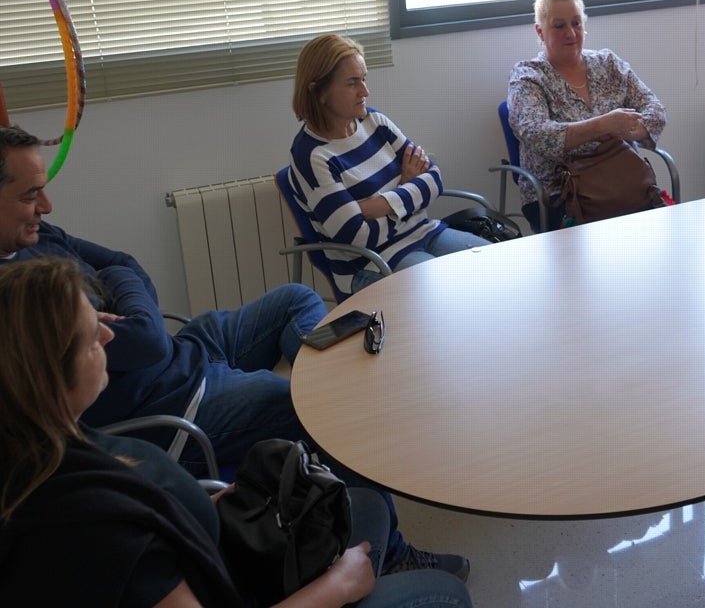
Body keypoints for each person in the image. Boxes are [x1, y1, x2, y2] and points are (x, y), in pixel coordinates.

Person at [0, 124, 469, 578]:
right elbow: (141, 339)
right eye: (28, 196)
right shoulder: (17, 299)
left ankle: (335, 387)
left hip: (183, 352)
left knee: (295, 300)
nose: (46, 205)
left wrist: (128, 301)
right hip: (171, 404)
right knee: (326, 414)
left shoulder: (40, 235)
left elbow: (126, 264)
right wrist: (133, 308)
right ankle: (393, 554)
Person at [0, 257, 474, 608]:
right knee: (445, 595)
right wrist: (336, 587)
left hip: (217, 551)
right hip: (241, 590)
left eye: (102, 317)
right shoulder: (87, 520)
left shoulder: (62, 441)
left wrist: (199, 506)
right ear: (47, 373)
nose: (109, 336)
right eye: (92, 333)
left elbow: (123, 267)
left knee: (363, 505)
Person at [290, 34, 489, 297]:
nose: (365, 91)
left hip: (424, 233)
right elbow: (358, 236)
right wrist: (406, 191)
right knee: (453, 295)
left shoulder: (376, 123)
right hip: (369, 263)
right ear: (319, 92)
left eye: (364, 79)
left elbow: (434, 179)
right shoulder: (312, 155)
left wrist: (379, 205)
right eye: (352, 83)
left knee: (498, 267)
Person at [507, 0, 667, 231]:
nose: (570, 34)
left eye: (576, 23)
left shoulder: (608, 64)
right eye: (559, 26)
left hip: (621, 180)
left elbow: (654, 109)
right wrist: (605, 125)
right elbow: (536, 133)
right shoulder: (528, 77)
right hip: (558, 193)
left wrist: (635, 129)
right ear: (540, 32)